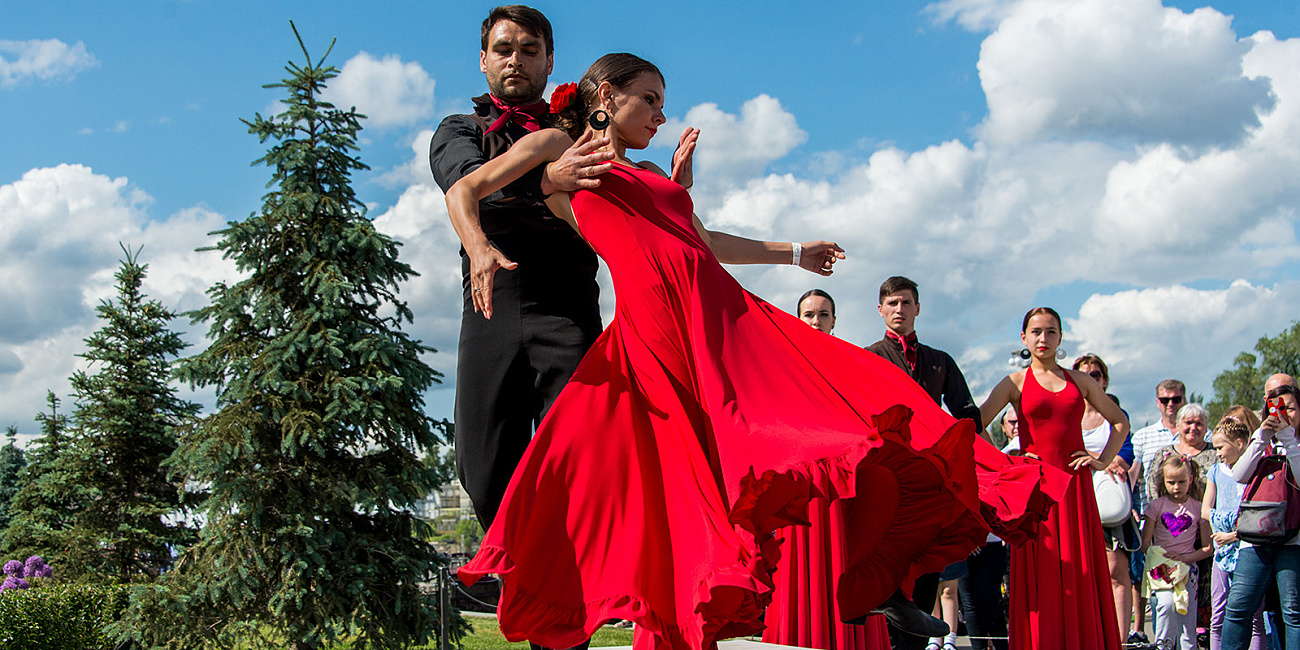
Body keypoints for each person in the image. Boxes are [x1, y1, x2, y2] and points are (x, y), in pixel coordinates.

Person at [450, 53, 1065, 650]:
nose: (661, 116)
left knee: (866, 417)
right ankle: (689, 625)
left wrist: (794, 253)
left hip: (726, 320)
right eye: (651, 99)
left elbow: (704, 241)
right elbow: (466, 189)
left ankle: (878, 578)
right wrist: (478, 247)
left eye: (663, 103)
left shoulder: (653, 177)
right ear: (607, 96)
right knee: (686, 494)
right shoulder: (559, 151)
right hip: (659, 334)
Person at [429, 5, 624, 531]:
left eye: (530, 50)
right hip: (491, 306)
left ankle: (573, 576)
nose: (516, 59)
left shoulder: (580, 131)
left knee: (586, 451)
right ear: (483, 60)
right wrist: (547, 181)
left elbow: (624, 185)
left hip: (569, 309)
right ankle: (510, 569)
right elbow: (469, 191)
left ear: (549, 60)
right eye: (504, 49)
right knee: (482, 462)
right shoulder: (458, 130)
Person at [979, 307, 1129, 650]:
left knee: (1082, 567)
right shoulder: (1014, 383)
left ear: (1060, 338)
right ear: (1024, 338)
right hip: (1036, 492)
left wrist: (1102, 461)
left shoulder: (1081, 381)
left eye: (1050, 332)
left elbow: (1119, 421)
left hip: (1075, 489)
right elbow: (976, 423)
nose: (1043, 339)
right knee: (1041, 567)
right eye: (1036, 332)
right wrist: (1008, 462)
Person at [763, 290, 891, 650]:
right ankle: (800, 637)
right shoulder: (783, 366)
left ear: (834, 321)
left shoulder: (850, 363)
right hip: (801, 479)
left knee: (845, 557)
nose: (815, 321)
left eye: (823, 314)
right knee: (799, 563)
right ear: (798, 318)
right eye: (808, 314)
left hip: (843, 482)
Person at [865, 277, 982, 650]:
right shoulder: (868, 356)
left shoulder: (940, 361)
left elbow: (967, 413)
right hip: (888, 477)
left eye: (907, 303)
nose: (900, 309)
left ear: (918, 308)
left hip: (932, 479)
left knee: (927, 565)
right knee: (889, 567)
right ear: (881, 309)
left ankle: (913, 643)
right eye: (893, 303)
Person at [1222, 384, 1300, 649]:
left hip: (1293, 539)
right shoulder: (1262, 442)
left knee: (1292, 612)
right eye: (1277, 408)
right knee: (1237, 609)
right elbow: (1239, 474)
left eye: (1290, 407)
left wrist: (1289, 439)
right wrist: (1262, 436)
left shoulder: (1296, 443)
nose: (1284, 413)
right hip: (1255, 538)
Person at [1072, 354, 1139, 643]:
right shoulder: (1068, 411)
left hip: (1108, 500)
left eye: (1096, 374)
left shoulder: (1113, 411)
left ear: (1105, 380)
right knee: (1078, 573)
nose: (1090, 378)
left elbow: (1127, 451)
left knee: (1115, 572)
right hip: (1074, 498)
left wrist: (1107, 460)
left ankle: (1120, 641)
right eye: (1083, 373)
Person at [1129, 377, 1188, 644]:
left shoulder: (1195, 431)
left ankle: (1186, 636)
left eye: (1176, 399)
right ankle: (1155, 636)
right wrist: (1127, 506)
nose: (1171, 405)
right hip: (1153, 520)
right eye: (1165, 400)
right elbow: (1133, 474)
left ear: (1183, 400)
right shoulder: (1144, 436)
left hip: (1189, 521)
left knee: (1188, 584)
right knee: (1154, 582)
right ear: (1157, 402)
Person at [1203, 421, 1267, 650]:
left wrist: (1233, 534)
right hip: (1222, 549)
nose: (1217, 453)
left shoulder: (1256, 471)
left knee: (1254, 615)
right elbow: (1205, 509)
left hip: (1247, 548)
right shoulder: (1215, 471)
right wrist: (1222, 526)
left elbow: (1257, 514)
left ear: (1240, 444)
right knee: (1218, 612)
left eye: (1221, 447)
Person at [1140, 453, 1214, 649]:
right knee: (1165, 604)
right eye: (1171, 482)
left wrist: (1183, 558)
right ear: (1164, 481)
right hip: (1162, 568)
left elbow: (1207, 548)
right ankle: (1163, 644)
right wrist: (1159, 558)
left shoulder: (1198, 508)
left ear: (1190, 479)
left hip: (1187, 568)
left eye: (1181, 482)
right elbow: (1145, 544)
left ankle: (1186, 646)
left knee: (1186, 613)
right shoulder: (1156, 506)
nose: (1176, 487)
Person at [1154, 404, 1218, 499]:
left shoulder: (1217, 454)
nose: (1193, 428)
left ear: (1205, 428)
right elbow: (1153, 487)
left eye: (1199, 424)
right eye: (1188, 423)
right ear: (1177, 426)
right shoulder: (1164, 454)